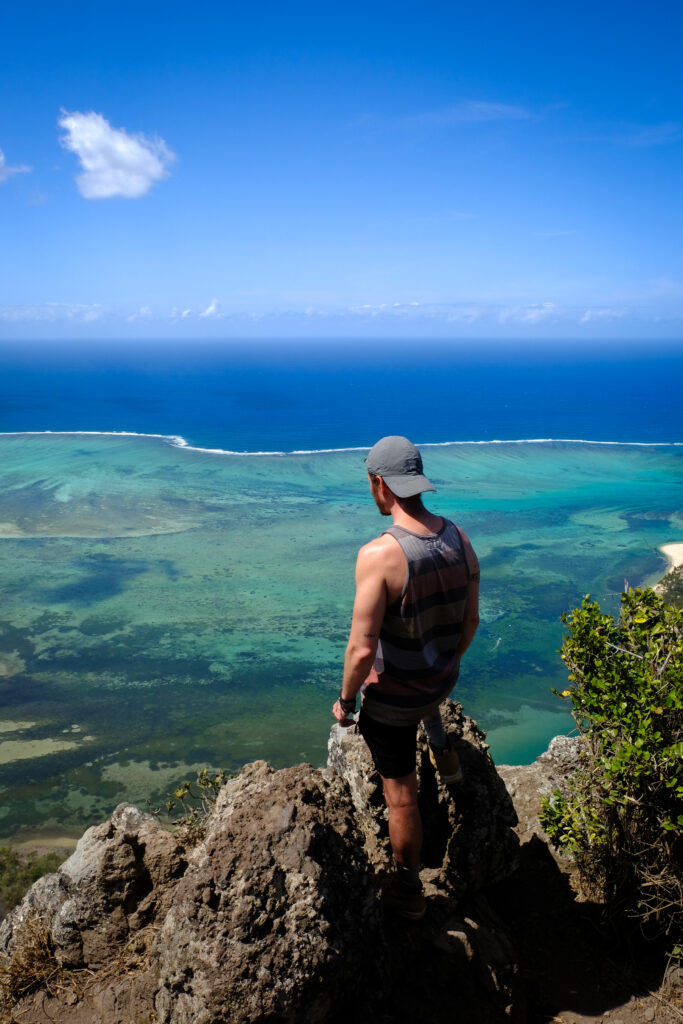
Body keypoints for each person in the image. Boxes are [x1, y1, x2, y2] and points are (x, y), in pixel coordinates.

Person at [332, 435, 480, 920]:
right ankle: (446, 757)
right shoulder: (460, 538)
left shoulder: (379, 555)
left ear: (380, 485)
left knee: (401, 801)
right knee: (427, 691)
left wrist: (347, 702)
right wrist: (445, 663)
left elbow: (360, 649)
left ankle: (408, 889)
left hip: (395, 702)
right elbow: (470, 623)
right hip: (441, 682)